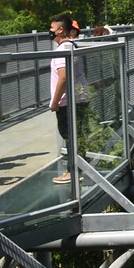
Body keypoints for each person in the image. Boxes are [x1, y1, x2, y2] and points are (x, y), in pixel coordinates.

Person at [48, 13, 75, 184]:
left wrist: (55, 102)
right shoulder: (74, 45)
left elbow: (63, 77)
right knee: (76, 136)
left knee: (69, 136)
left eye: (51, 28)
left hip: (66, 101)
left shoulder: (62, 51)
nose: (49, 31)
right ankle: (78, 169)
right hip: (78, 97)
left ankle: (72, 172)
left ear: (60, 30)